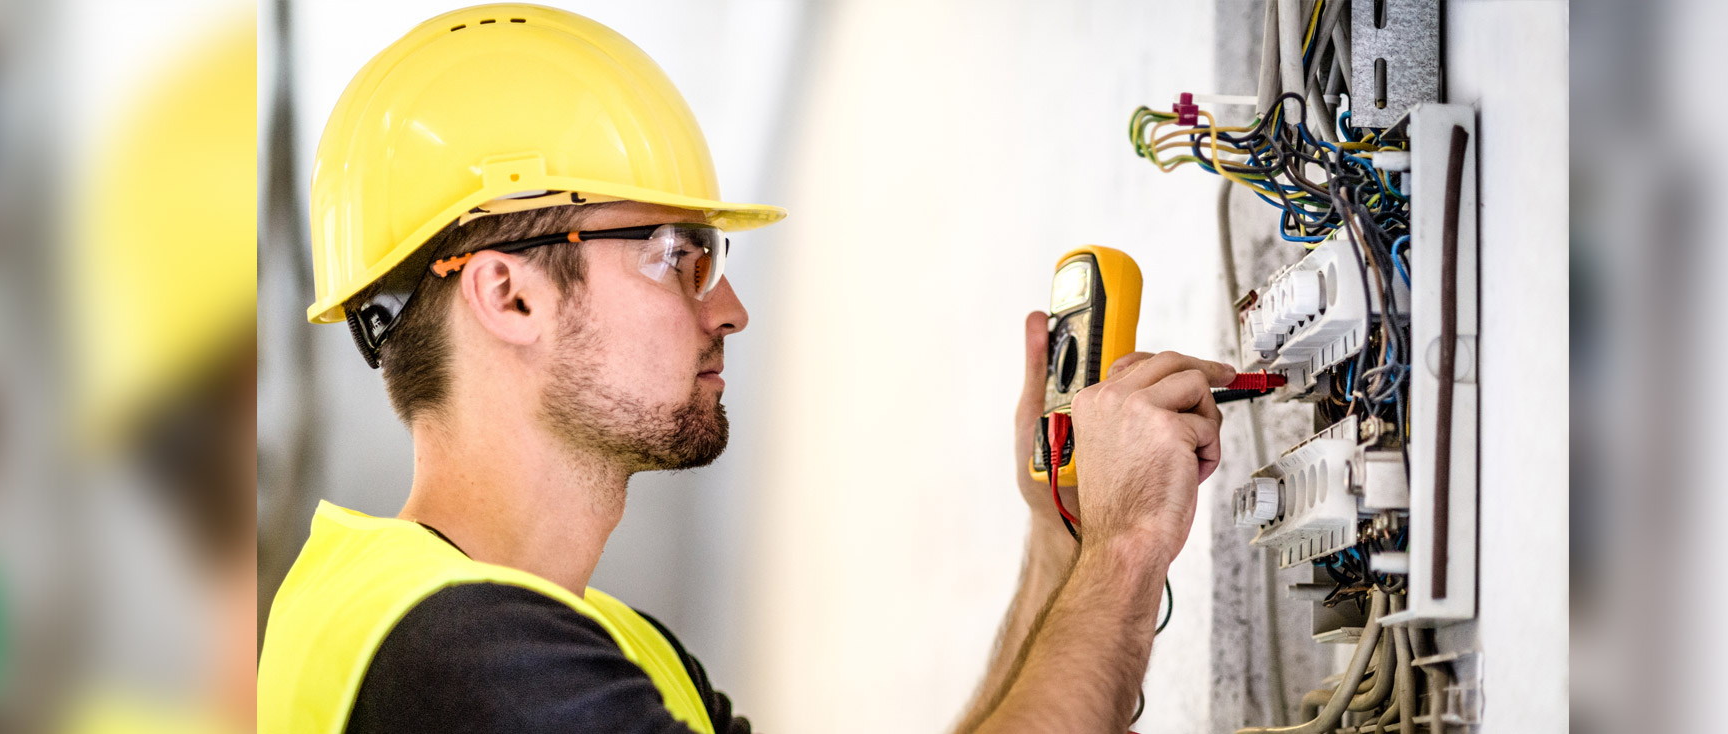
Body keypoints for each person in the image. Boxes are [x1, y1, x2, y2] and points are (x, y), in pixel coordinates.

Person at [256, 5, 1237, 733]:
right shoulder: (453, 655)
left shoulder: (595, 647)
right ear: (510, 296)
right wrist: (1128, 543)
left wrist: (1062, 540)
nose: (729, 308)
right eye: (676, 254)